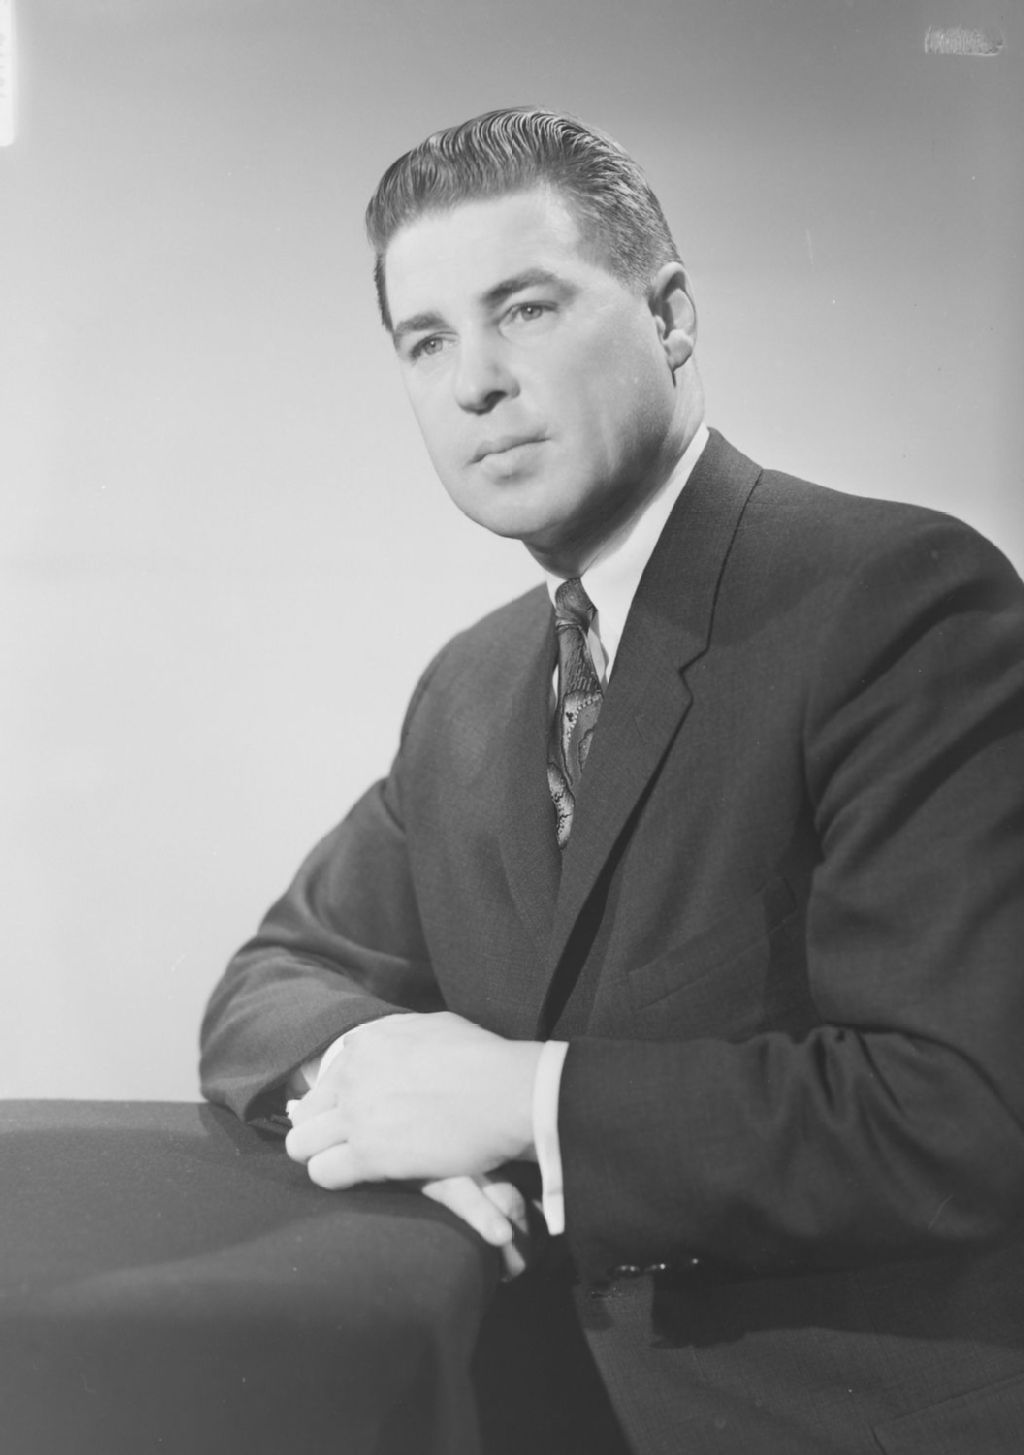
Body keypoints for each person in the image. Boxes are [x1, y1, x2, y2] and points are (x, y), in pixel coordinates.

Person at [199, 107, 1024, 1454]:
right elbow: (272, 979)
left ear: (671, 317)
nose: (474, 383)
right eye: (426, 342)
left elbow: (964, 1112)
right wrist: (372, 1072)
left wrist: (519, 1103)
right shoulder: (471, 687)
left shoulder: (898, 603)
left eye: (523, 309)